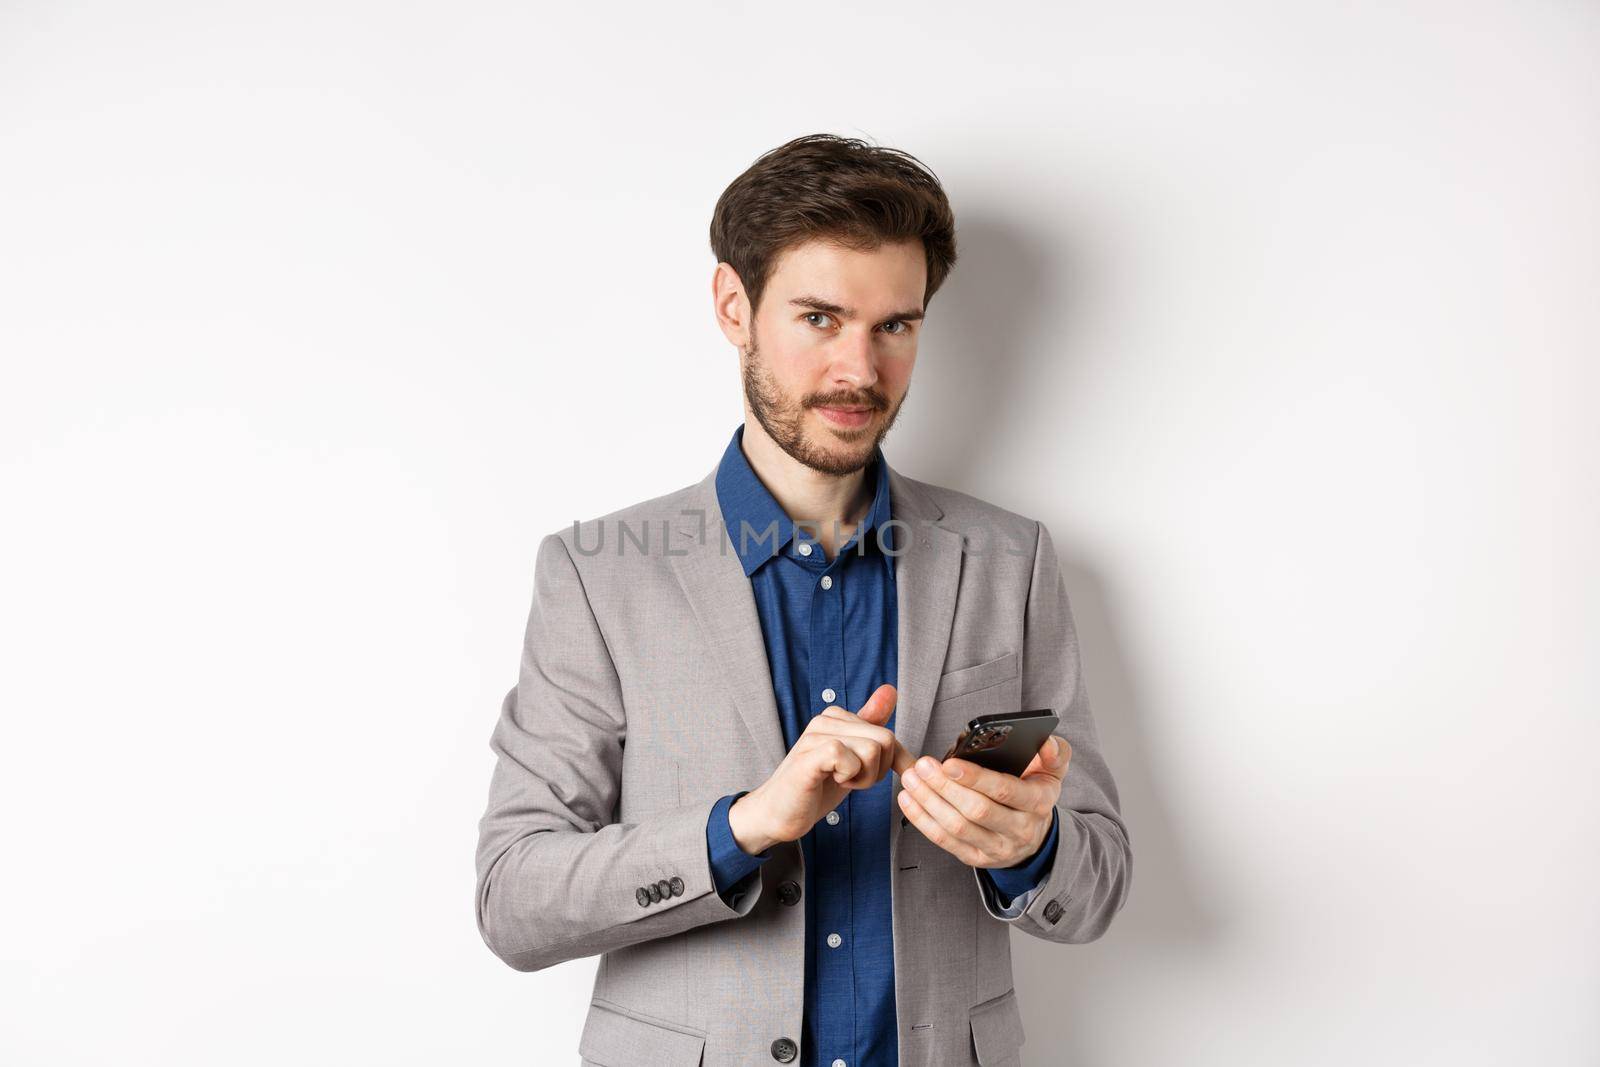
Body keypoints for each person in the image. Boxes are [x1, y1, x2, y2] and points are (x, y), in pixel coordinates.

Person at [474, 133, 1132, 1067]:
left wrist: (1029, 847)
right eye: (820, 318)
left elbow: (1098, 887)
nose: (860, 370)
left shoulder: (1009, 559)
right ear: (733, 307)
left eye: (895, 325)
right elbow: (512, 899)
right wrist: (745, 825)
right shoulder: (598, 573)